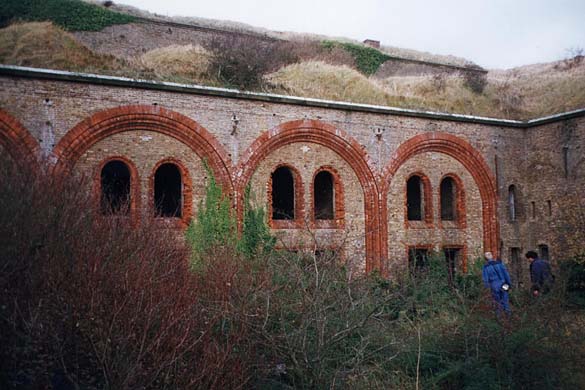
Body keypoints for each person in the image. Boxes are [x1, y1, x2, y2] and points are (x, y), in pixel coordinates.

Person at [482, 252, 512, 316]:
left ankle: (499, 316)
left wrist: (486, 287)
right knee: (505, 299)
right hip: (503, 283)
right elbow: (506, 274)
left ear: (485, 259)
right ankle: (508, 315)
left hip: (494, 285)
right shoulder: (500, 264)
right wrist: (509, 283)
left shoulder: (485, 267)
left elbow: (485, 279)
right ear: (492, 256)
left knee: (497, 301)